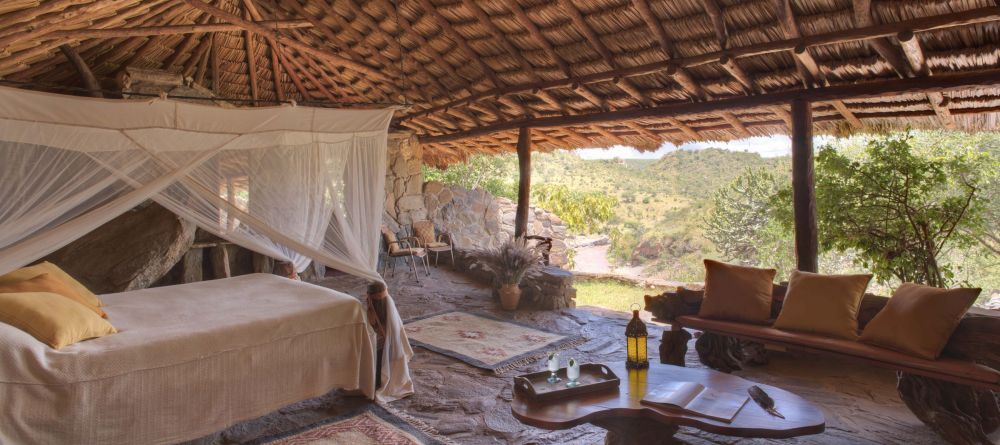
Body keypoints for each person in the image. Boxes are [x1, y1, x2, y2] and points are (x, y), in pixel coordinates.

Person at [365, 281, 388, 388]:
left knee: (377, 366)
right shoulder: (388, 307)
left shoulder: (371, 312)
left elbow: (371, 323)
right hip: (388, 344)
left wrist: (369, 307)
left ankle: (376, 381)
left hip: (377, 346)